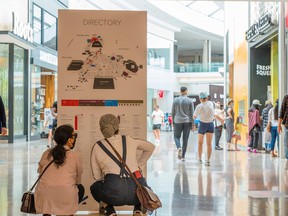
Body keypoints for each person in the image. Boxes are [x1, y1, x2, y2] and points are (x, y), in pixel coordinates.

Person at [90, 114, 155, 216]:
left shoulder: (97, 146)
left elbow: (97, 177)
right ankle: (138, 208)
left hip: (113, 196)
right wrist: (139, 166)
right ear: (117, 127)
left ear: (101, 128)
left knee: (95, 187)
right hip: (136, 194)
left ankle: (109, 210)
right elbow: (150, 147)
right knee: (144, 186)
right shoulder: (129, 139)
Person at [34, 124, 84, 216]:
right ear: (69, 140)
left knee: (47, 191)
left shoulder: (46, 153)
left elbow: (40, 171)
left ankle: (47, 213)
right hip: (66, 193)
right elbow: (78, 178)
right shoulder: (75, 156)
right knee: (80, 188)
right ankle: (67, 212)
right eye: (74, 136)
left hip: (45, 193)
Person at [171, 87, 194, 160]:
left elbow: (173, 112)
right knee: (185, 139)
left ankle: (179, 147)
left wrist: (172, 122)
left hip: (177, 121)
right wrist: (193, 124)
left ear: (180, 91)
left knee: (176, 136)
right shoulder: (190, 100)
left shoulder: (175, 100)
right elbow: (192, 113)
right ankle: (183, 156)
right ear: (186, 91)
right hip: (187, 121)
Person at [193, 92, 215, 166]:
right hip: (210, 124)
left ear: (200, 99)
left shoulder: (199, 106)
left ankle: (199, 159)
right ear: (207, 98)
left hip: (202, 124)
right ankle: (208, 160)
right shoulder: (211, 103)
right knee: (209, 144)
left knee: (200, 143)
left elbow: (194, 116)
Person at [278, 95, 288, 169]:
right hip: (287, 125)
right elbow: (282, 112)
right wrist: (279, 125)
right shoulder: (286, 97)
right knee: (286, 144)